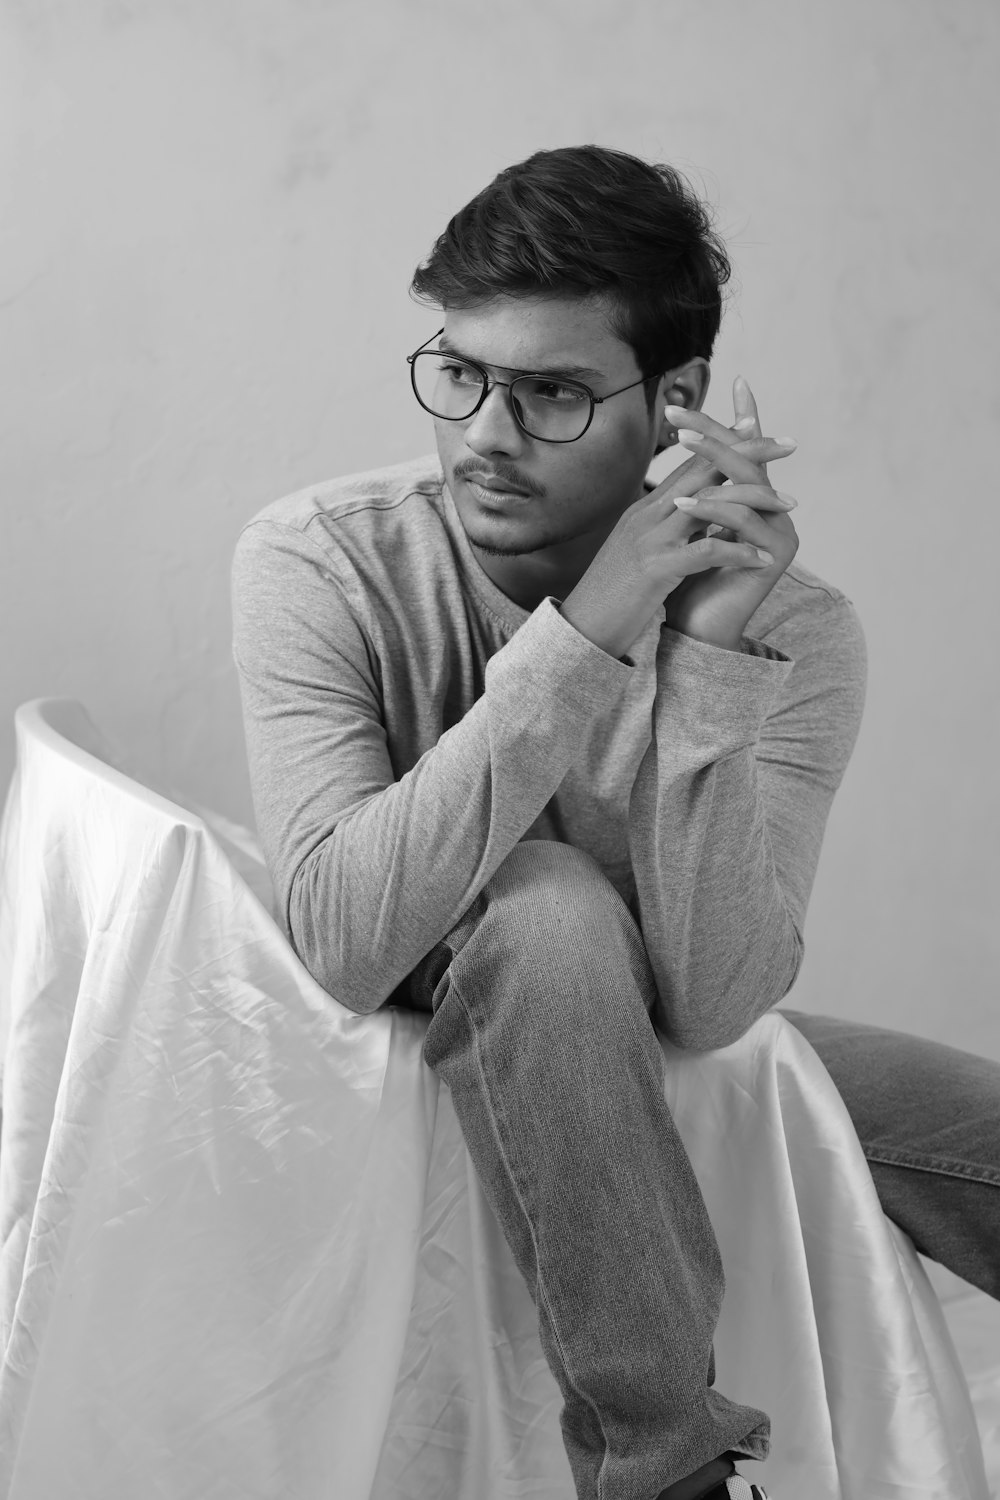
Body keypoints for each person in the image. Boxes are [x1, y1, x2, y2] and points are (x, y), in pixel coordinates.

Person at [230, 145, 1000, 1500]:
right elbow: (347, 938)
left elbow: (709, 1002)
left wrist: (702, 662)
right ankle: (668, 1468)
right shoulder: (320, 557)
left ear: (679, 402)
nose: (482, 431)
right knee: (544, 899)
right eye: (459, 371)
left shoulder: (793, 636)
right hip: (400, 1020)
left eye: (551, 395)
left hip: (631, 1033)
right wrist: (582, 639)